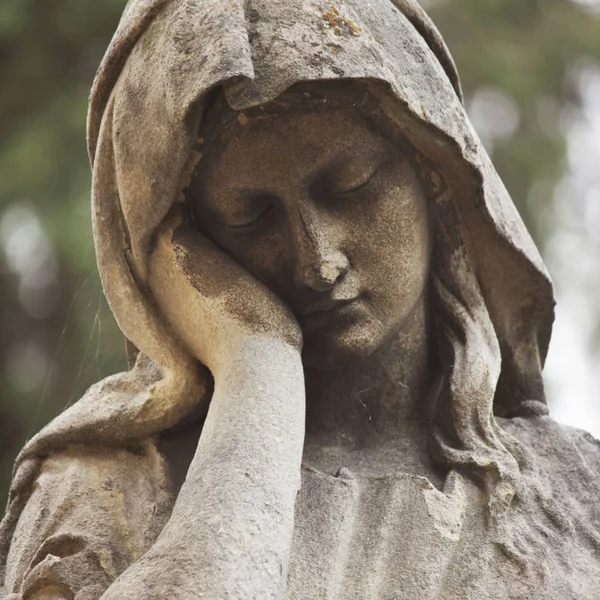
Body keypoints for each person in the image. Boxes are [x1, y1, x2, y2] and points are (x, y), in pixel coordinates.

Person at [2, 0, 600, 598]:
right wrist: (257, 368)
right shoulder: (95, 497)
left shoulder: (578, 497)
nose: (317, 262)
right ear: (179, 249)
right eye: (250, 216)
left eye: (348, 187)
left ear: (435, 178)